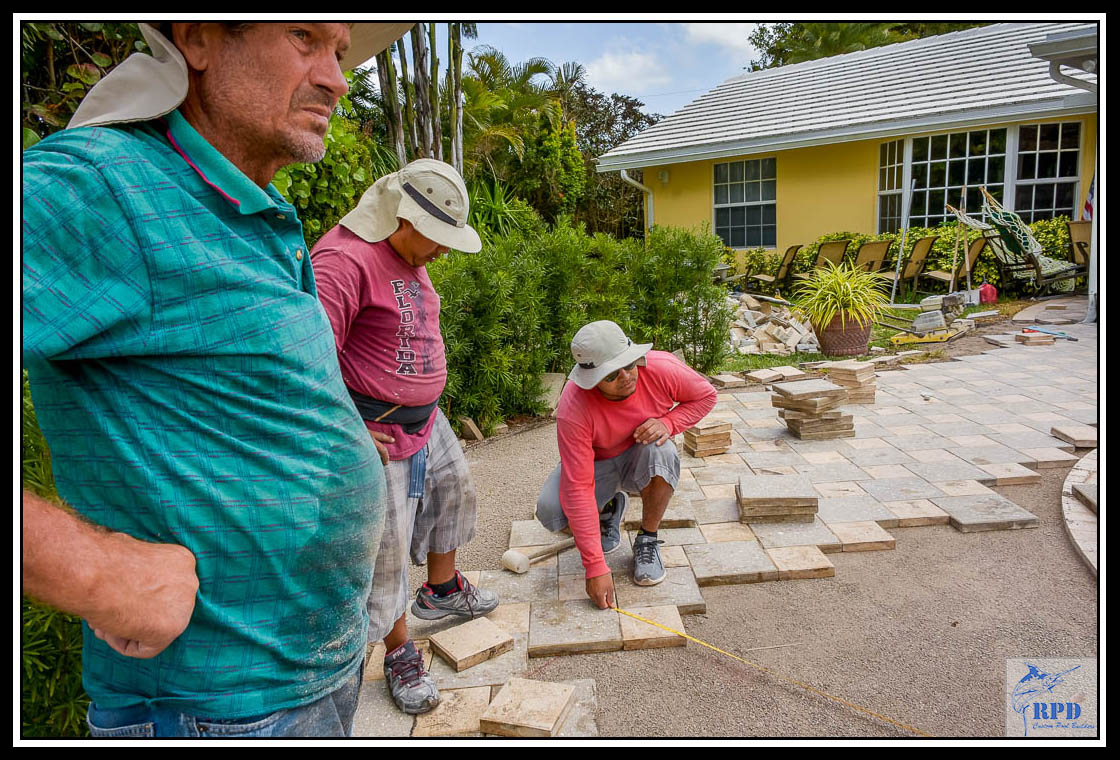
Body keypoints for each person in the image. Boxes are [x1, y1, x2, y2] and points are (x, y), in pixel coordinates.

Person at [21, 22, 411, 738]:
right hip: (212, 710)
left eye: (341, 52)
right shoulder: (106, 186)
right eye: (304, 39)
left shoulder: (247, 209)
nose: (336, 78)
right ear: (199, 39)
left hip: (311, 678)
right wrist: (92, 570)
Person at [309, 159, 498, 715]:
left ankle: (440, 591)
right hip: (376, 431)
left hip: (425, 419)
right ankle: (397, 652)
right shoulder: (342, 261)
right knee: (388, 548)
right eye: (436, 239)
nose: (441, 251)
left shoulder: (405, 250)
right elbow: (309, 361)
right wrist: (347, 426)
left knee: (454, 491)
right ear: (402, 216)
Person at [536, 321, 717, 610]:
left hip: (641, 456)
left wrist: (668, 422)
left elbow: (706, 395)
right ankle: (609, 511)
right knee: (551, 512)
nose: (626, 376)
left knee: (662, 451)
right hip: (598, 464)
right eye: (611, 373)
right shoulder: (574, 407)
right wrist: (595, 566)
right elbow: (578, 486)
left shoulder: (661, 368)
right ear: (592, 378)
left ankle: (647, 539)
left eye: (630, 364)